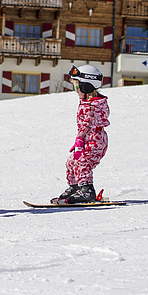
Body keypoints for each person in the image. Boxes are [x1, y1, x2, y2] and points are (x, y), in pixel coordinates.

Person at [52, 65, 110, 204]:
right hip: (88, 140)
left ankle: (87, 191)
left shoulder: (93, 106)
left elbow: (88, 124)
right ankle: (75, 187)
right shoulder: (87, 102)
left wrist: (80, 140)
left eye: (77, 86)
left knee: (82, 162)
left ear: (86, 87)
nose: (76, 90)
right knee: (71, 162)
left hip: (95, 142)